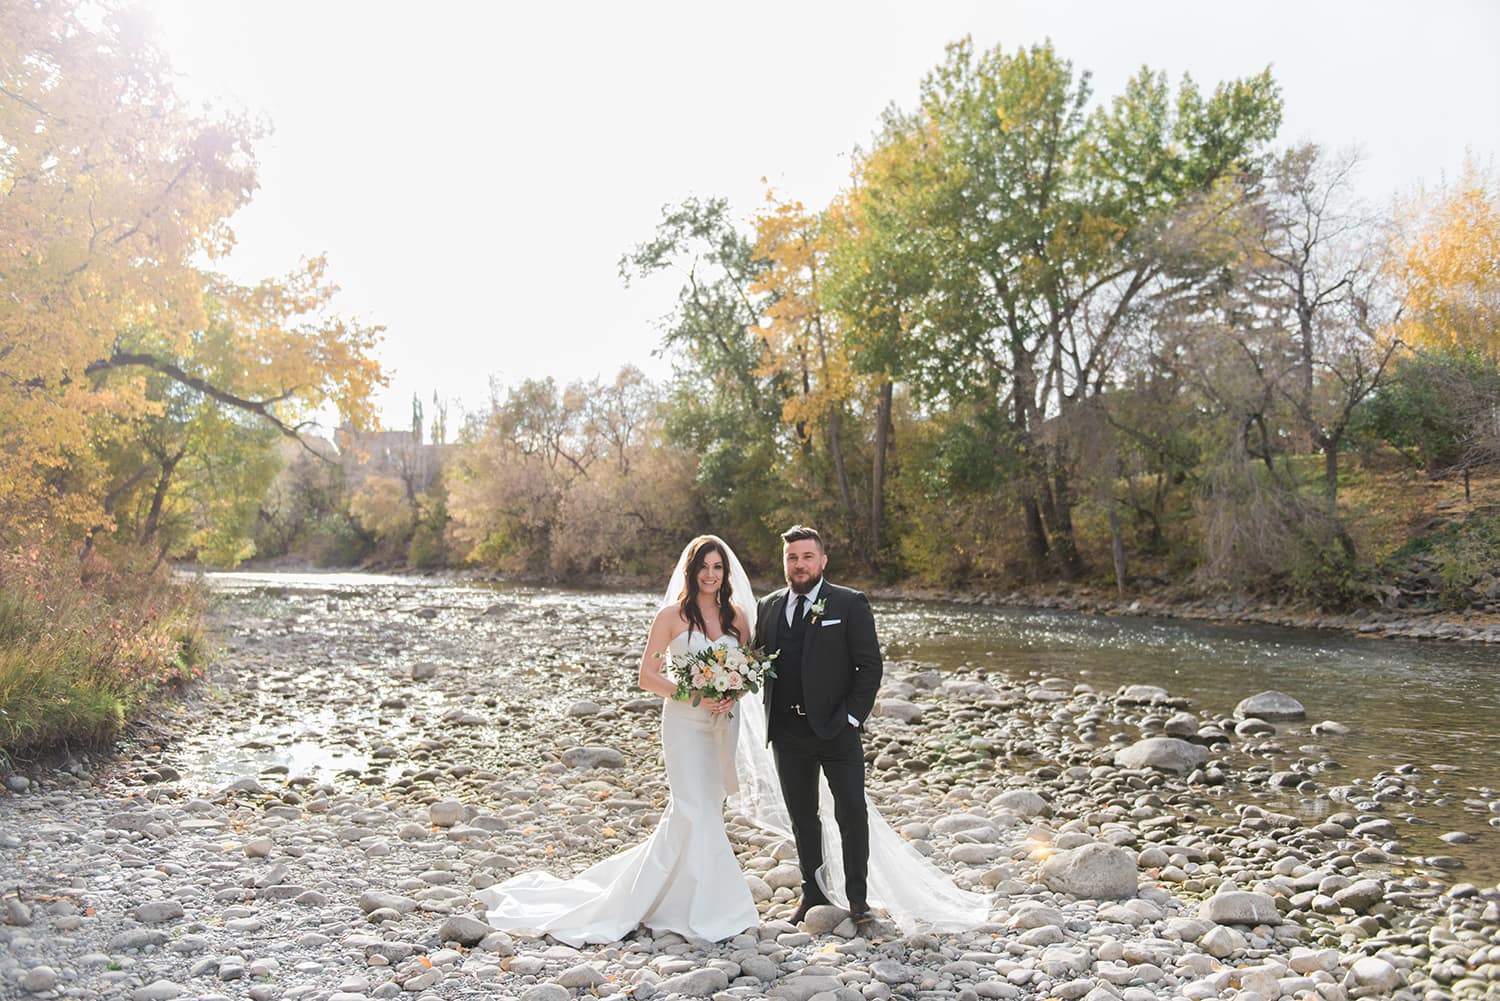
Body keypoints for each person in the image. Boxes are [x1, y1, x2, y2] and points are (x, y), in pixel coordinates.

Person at [476, 535, 760, 946]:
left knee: (709, 809)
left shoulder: (737, 618)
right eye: (704, 567)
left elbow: (748, 674)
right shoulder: (671, 616)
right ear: (692, 571)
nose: (711, 574)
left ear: (725, 572)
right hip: (684, 722)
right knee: (689, 809)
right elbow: (648, 676)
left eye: (717, 567)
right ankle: (706, 907)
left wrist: (730, 693)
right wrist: (692, 693)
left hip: (721, 723)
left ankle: (690, 901)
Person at [754, 524, 882, 931]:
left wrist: (851, 717)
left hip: (836, 731)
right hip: (787, 733)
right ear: (785, 562)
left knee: (851, 812)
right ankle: (813, 892)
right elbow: (758, 660)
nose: (799, 564)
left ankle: (858, 899)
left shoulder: (848, 603)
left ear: (823, 561)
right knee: (803, 818)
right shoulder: (769, 606)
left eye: (807, 557)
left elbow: (869, 666)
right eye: (792, 557)